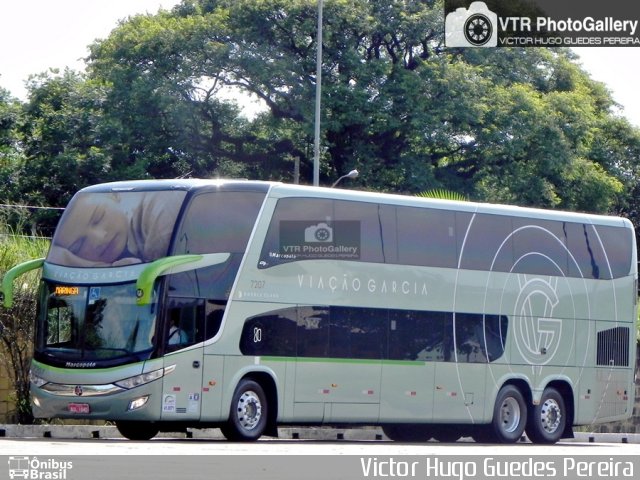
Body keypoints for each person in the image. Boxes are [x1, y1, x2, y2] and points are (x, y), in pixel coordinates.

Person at [48, 191, 181, 267]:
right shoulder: (127, 247)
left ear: (114, 197)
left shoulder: (159, 212)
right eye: (79, 245)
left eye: (98, 217)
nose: (99, 239)